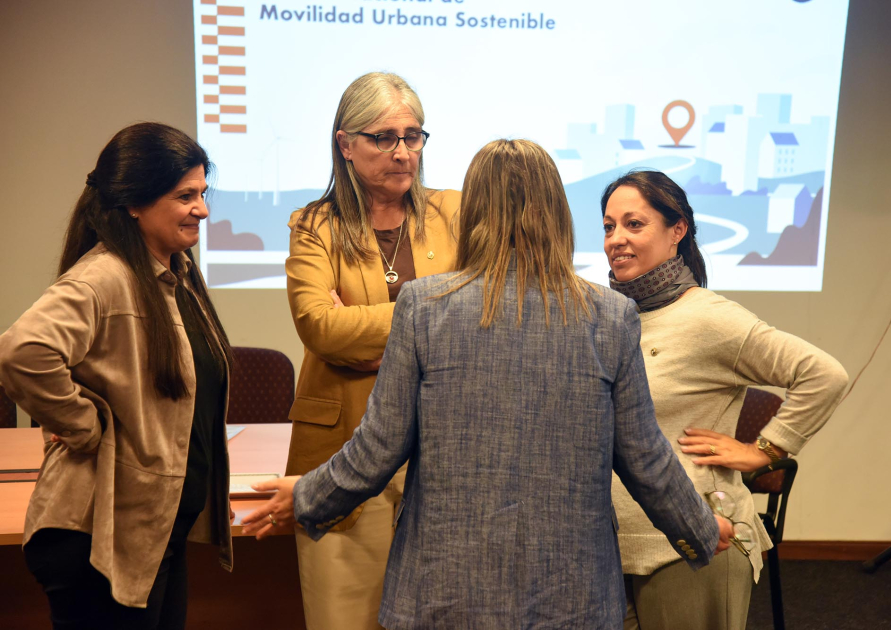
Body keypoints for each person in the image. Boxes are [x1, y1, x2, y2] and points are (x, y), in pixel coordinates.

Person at [244, 139, 732, 629]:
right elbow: (643, 457)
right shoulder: (611, 316)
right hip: (573, 597)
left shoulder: (423, 306)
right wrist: (699, 528)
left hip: (443, 594)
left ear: (474, 210)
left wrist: (307, 494)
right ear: (557, 211)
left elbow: (376, 449)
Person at [0, 122, 233, 630]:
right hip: (96, 537)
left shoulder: (174, 272)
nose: (203, 209)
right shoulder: (104, 276)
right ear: (134, 203)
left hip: (149, 531)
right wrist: (84, 422)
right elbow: (22, 351)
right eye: (185, 196)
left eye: (203, 193)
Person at [600, 170, 849, 630]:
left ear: (678, 232)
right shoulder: (604, 316)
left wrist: (764, 451)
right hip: (606, 548)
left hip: (695, 543)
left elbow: (823, 374)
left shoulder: (708, 318)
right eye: (609, 226)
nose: (617, 239)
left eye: (634, 224)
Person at [277, 72, 461, 630]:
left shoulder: (456, 211)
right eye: (384, 137)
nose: (403, 151)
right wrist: (427, 323)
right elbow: (321, 329)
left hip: (441, 457)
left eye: (413, 135)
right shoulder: (314, 226)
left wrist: (372, 333)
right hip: (341, 451)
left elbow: (483, 313)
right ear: (345, 144)